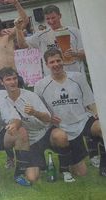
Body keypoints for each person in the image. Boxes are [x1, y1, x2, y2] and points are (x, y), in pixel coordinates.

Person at [34, 48, 106, 180]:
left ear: (63, 60)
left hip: (82, 121)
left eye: (58, 60)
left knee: (103, 127)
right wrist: (49, 119)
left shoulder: (78, 77)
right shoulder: (40, 85)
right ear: (46, 64)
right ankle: (65, 166)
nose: (56, 64)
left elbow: (90, 101)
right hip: (61, 126)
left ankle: (104, 167)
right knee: (81, 172)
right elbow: (40, 110)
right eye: (52, 62)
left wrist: (97, 115)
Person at [0, 67, 70, 184]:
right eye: (8, 79)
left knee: (61, 136)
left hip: (44, 132)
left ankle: (65, 170)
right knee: (32, 178)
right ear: (1, 82)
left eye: (14, 78)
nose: (13, 82)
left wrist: (34, 112)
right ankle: (38, 164)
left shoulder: (30, 96)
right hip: (28, 141)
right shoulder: (1, 99)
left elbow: (48, 119)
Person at [19, 5, 86, 77]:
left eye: (53, 17)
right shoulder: (41, 35)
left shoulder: (74, 31)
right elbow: (22, 45)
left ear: (60, 16)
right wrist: (18, 29)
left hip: (75, 75)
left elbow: (86, 54)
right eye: (48, 19)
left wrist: (75, 54)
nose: (51, 21)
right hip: (53, 78)